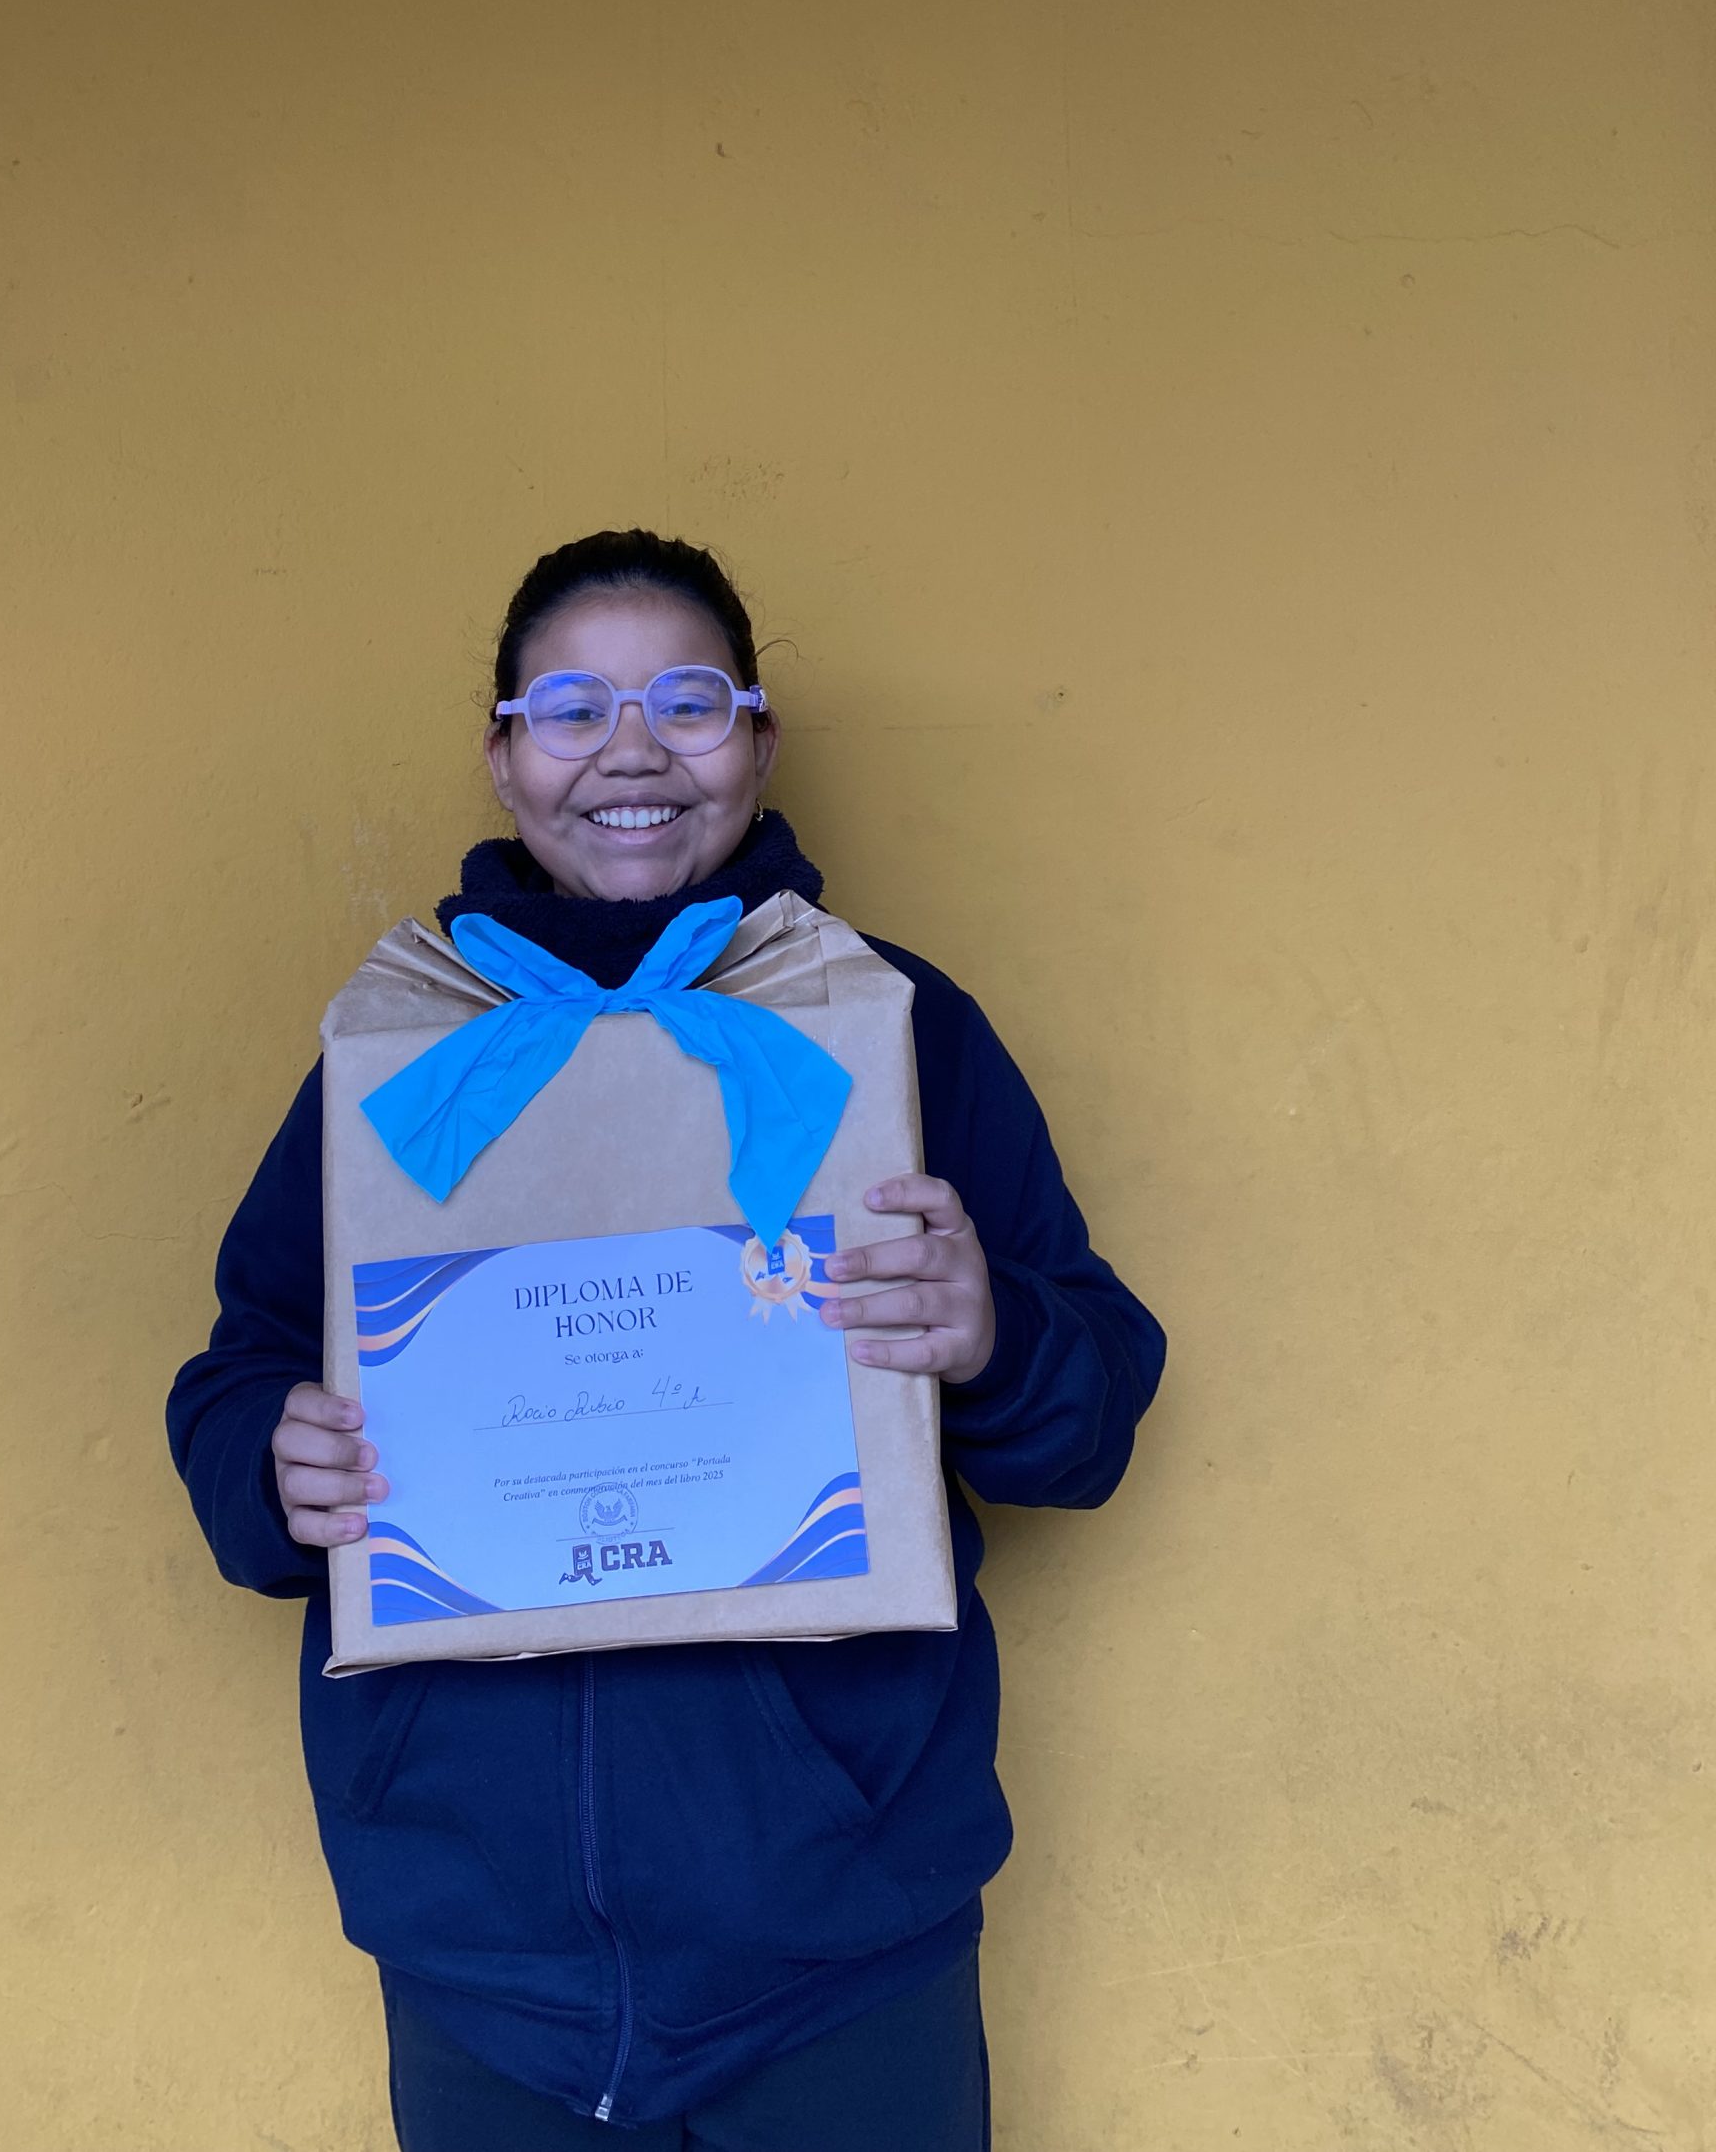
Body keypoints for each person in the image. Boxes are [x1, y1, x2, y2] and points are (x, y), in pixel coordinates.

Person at [167, 528, 1166, 2150]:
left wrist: (993, 1334)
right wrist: (268, 1463)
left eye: (687, 702)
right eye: (571, 709)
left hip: (844, 1944)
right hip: (484, 1956)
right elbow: (243, 1367)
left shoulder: (893, 1026)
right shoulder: (405, 1051)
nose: (630, 752)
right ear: (502, 757)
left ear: (758, 742)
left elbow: (1095, 1410)